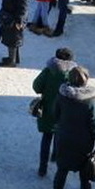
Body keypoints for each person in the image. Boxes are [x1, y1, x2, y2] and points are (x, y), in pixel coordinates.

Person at [50, 65, 95, 189]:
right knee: (83, 167)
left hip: (64, 138)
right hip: (83, 141)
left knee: (62, 170)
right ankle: (84, 188)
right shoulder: (90, 101)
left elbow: (54, 113)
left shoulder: (62, 95)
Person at [32, 47, 76, 177]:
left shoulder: (49, 71)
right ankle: (55, 156)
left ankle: (42, 167)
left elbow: (36, 86)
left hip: (47, 110)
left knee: (46, 138)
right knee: (59, 135)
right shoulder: (73, 75)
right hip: (64, 112)